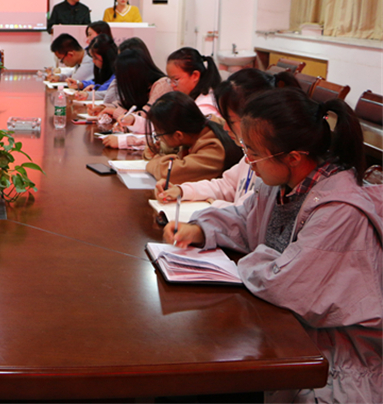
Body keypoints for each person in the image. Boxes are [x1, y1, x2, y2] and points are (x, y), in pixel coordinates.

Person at [165, 88, 381, 404]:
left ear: (294, 157)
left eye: (253, 152)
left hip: (336, 352)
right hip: (283, 325)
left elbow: (286, 285)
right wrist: (200, 229)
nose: (247, 160)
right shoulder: (280, 182)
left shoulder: (340, 211)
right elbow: (245, 219)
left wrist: (252, 259)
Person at [155, 68, 299, 206]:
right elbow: (227, 185)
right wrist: (182, 191)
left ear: (254, 118)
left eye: (230, 121)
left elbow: (245, 212)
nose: (225, 127)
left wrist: (213, 205)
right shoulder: (249, 156)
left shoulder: (271, 165)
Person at [144, 91, 242, 184]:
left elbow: (169, 173)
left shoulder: (213, 148)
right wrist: (159, 149)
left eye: (159, 135)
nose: (159, 139)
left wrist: (155, 159)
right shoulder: (197, 130)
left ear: (178, 135)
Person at [93, 48, 174, 149]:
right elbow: (123, 103)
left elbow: (145, 117)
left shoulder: (162, 85)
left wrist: (115, 112)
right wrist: (103, 108)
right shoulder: (140, 86)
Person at [166, 47, 222, 117]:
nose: (172, 85)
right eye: (170, 80)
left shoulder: (204, 108)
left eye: (176, 79)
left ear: (195, 75)